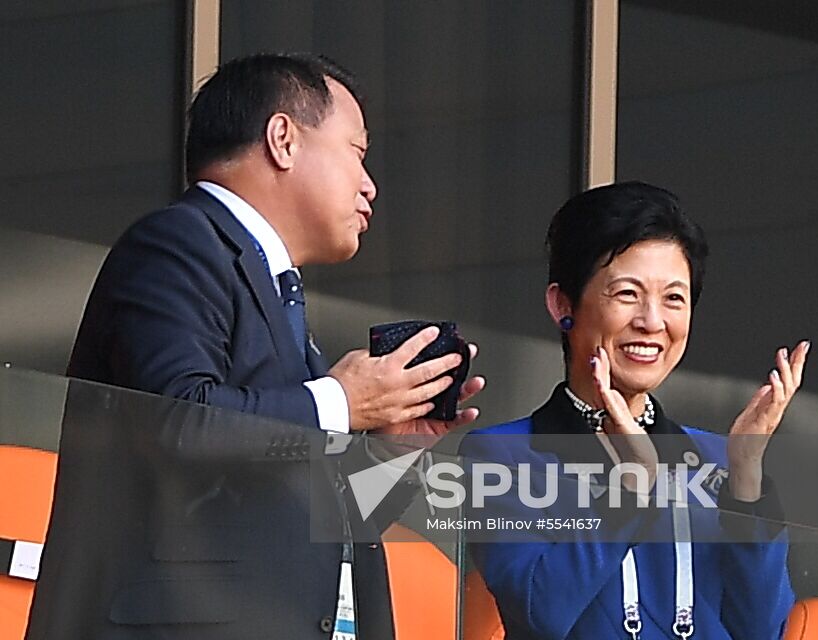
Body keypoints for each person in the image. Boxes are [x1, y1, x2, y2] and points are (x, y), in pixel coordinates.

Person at [28, 52, 483, 639]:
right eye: (357, 152)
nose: (369, 185)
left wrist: (392, 451)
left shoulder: (278, 299)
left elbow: (322, 524)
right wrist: (342, 403)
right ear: (283, 138)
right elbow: (178, 421)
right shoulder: (177, 242)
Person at [462, 181, 808, 639]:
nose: (652, 321)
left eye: (674, 298)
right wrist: (630, 490)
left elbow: (762, 631)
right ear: (563, 305)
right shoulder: (505, 456)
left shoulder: (717, 461)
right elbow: (539, 614)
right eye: (627, 294)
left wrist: (745, 474)